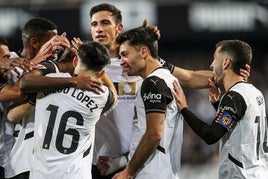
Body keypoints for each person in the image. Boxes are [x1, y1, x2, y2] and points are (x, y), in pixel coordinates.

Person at [172, 39, 268, 179]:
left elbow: (211, 136)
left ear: (226, 63)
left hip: (242, 175)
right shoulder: (255, 92)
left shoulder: (234, 97)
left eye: (215, 58)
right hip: (259, 172)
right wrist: (217, 105)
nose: (211, 65)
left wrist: (184, 109)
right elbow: (238, 124)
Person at [30, 41, 115, 179]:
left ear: (75, 61)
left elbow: (25, 83)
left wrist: (72, 81)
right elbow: (113, 95)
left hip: (42, 174)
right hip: (76, 174)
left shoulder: (48, 80)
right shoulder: (102, 95)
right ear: (101, 73)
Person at [111, 27, 183, 179]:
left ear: (143, 52)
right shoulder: (168, 78)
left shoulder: (153, 83)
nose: (121, 62)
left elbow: (154, 134)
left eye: (125, 55)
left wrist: (128, 171)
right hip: (165, 171)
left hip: (152, 172)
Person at [4, 17, 70, 179]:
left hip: (26, 154)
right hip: (9, 152)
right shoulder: (9, 61)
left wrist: (64, 64)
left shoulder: (50, 68)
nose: (56, 48)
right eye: (52, 43)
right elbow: (19, 90)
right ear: (34, 42)